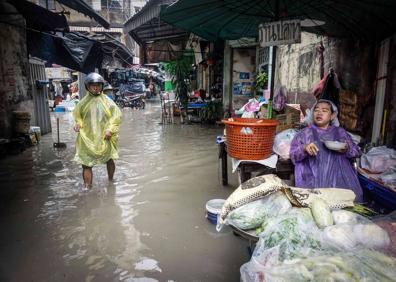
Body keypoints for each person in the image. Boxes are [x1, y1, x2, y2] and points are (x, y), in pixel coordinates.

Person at [290, 99, 363, 202]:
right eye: (316, 110)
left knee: (344, 211)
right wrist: (304, 148)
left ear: (332, 116)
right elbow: (293, 155)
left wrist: (347, 148)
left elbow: (356, 152)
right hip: (312, 182)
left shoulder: (340, 132)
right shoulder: (304, 133)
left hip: (341, 182)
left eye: (324, 110)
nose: (319, 113)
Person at [73, 73, 122, 190]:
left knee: (109, 158)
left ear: (102, 86)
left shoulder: (108, 102)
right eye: (93, 85)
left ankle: (111, 181)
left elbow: (116, 117)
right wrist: (78, 124)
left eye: (98, 85)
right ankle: (87, 188)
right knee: (86, 163)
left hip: (105, 136)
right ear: (88, 87)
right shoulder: (82, 103)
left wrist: (110, 130)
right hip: (87, 138)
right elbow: (77, 116)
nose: (96, 88)